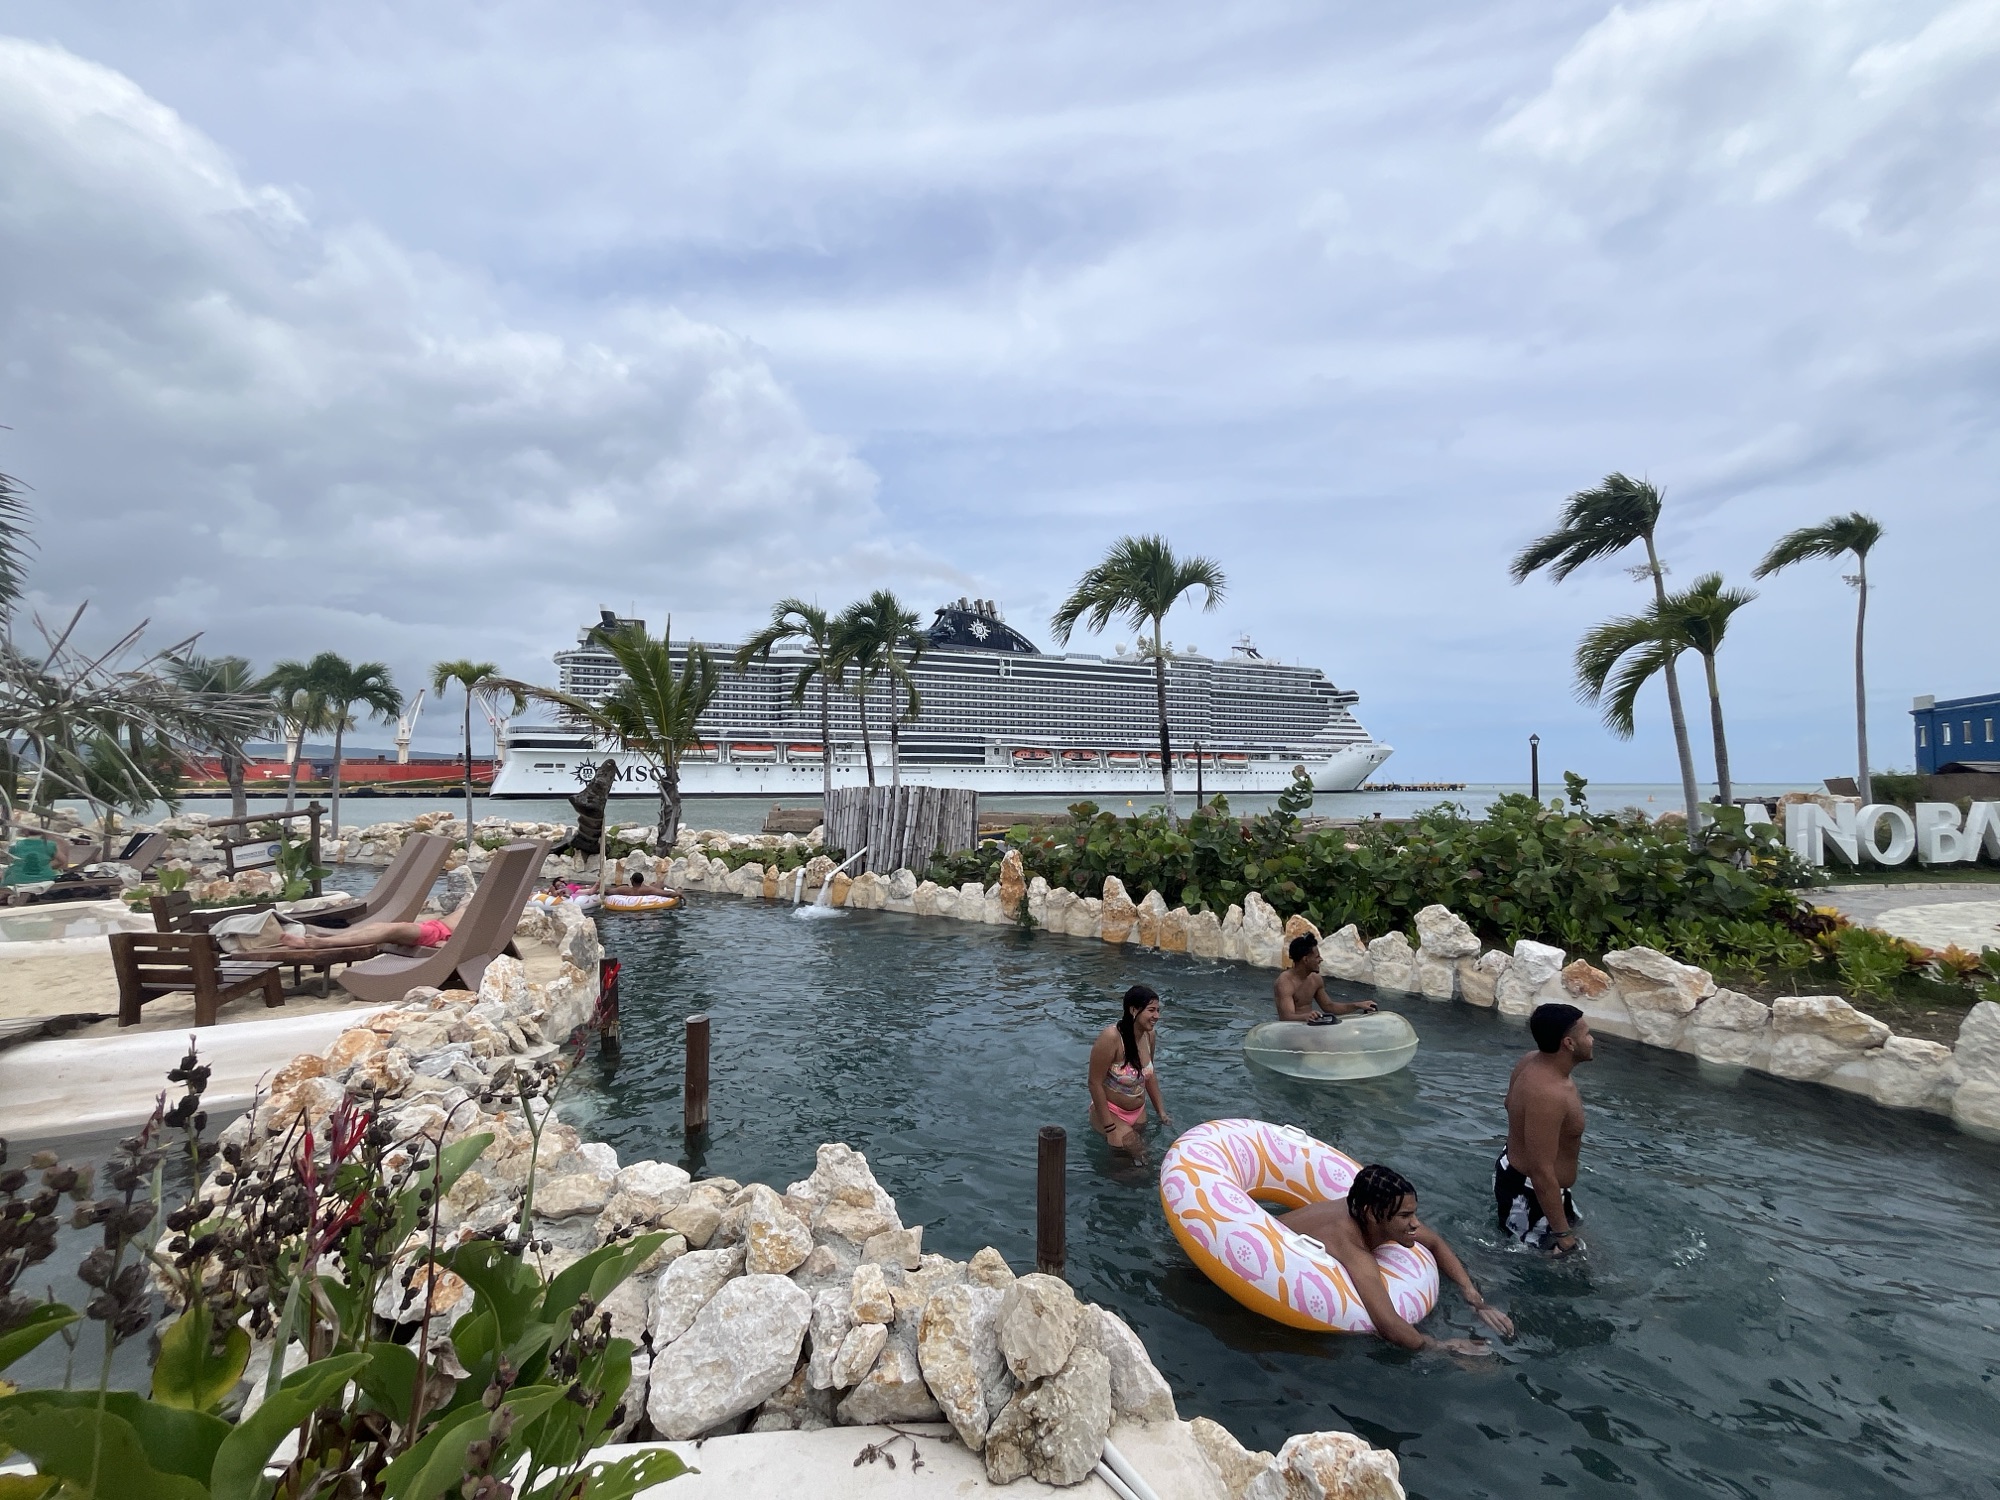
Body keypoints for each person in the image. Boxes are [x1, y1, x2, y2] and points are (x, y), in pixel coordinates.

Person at [1279, 1164, 1513, 1353]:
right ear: (1371, 1214)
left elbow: (1434, 1242)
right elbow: (1389, 1325)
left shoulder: (1368, 1213)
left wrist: (1474, 1298)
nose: (1415, 1223)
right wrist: (1444, 1346)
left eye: (1414, 1213)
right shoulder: (1354, 1250)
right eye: (1405, 1215)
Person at [1496, 1002, 1594, 1254]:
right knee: (1570, 1264)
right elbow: (1541, 1171)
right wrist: (1564, 1236)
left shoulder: (1531, 1061)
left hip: (1519, 1176)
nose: (1592, 1040)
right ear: (1569, 1043)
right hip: (1532, 1194)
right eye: (1587, 1034)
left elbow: (1509, 1104)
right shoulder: (1550, 1094)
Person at [1088, 984, 1172, 1156]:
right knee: (1132, 1168)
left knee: (1145, 1158)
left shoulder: (1149, 1035)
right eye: (1151, 1010)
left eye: (1158, 1010)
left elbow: (1148, 1075)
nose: (1157, 1016)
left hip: (1138, 1113)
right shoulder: (1111, 1038)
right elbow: (1094, 1083)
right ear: (1133, 1010)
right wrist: (1110, 1127)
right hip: (1110, 1112)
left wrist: (1161, 1112)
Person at [278, 897, 470, 951]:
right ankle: (328, 939)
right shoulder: (486, 902)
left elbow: (481, 939)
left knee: (390, 930)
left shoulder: (497, 915)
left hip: (439, 935)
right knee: (378, 926)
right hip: (434, 926)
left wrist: (451, 945)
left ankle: (325, 943)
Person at [1273, 934, 1377, 1023]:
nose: (1321, 959)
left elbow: (1329, 1006)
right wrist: (1305, 1016)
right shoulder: (1285, 982)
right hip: (1291, 1033)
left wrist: (1358, 1005)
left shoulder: (1315, 979)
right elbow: (1286, 1017)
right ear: (1306, 959)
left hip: (1309, 1027)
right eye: (1317, 956)